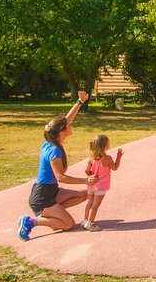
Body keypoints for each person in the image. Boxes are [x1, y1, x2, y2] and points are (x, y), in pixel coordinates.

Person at [17, 91, 98, 241]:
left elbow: (67, 118)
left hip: (51, 191)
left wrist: (79, 101)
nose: (70, 125)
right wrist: (85, 180)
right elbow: (60, 177)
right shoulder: (53, 150)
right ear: (62, 131)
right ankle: (31, 221)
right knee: (69, 224)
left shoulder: (53, 140)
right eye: (68, 126)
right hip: (42, 197)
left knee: (84, 194)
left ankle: (54, 216)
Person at [80, 134, 123, 232]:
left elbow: (87, 171)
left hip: (91, 184)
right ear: (104, 146)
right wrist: (119, 157)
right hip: (100, 186)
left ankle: (85, 220)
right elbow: (115, 168)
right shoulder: (107, 158)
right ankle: (91, 223)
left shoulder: (92, 158)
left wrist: (92, 174)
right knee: (96, 205)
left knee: (89, 203)